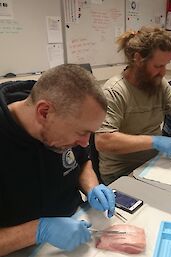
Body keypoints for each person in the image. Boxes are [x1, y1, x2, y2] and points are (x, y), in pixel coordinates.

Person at [0, 64, 116, 256]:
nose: (86, 142)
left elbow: (82, 162)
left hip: (77, 227)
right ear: (44, 112)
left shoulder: (62, 120)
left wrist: (92, 187)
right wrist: (39, 230)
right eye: (81, 132)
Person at [95, 27, 171, 185]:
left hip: (153, 164)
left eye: (165, 65)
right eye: (158, 66)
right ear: (138, 59)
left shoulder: (158, 84)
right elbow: (104, 141)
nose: (163, 72)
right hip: (122, 173)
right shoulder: (114, 91)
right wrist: (154, 141)